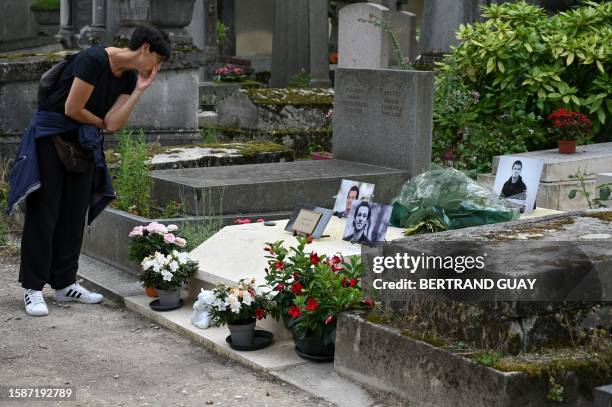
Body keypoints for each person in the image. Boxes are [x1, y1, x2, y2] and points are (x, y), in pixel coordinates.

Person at [8, 26, 171, 317]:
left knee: (74, 213)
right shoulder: (93, 60)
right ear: (144, 48)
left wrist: (138, 90)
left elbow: (114, 123)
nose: (155, 68)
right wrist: (100, 123)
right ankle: (33, 289)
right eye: (156, 60)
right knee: (45, 212)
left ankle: (64, 283)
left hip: (83, 143)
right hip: (51, 137)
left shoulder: (130, 77)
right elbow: (72, 108)